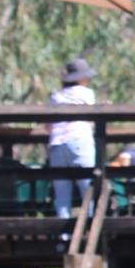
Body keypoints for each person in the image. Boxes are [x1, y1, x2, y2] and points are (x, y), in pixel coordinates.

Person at [46, 56, 98, 218]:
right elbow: (91, 122)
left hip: (57, 144)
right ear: (81, 78)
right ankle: (89, 233)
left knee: (62, 198)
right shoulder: (87, 94)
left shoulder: (56, 96)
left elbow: (48, 126)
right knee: (88, 193)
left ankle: (64, 239)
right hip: (79, 141)